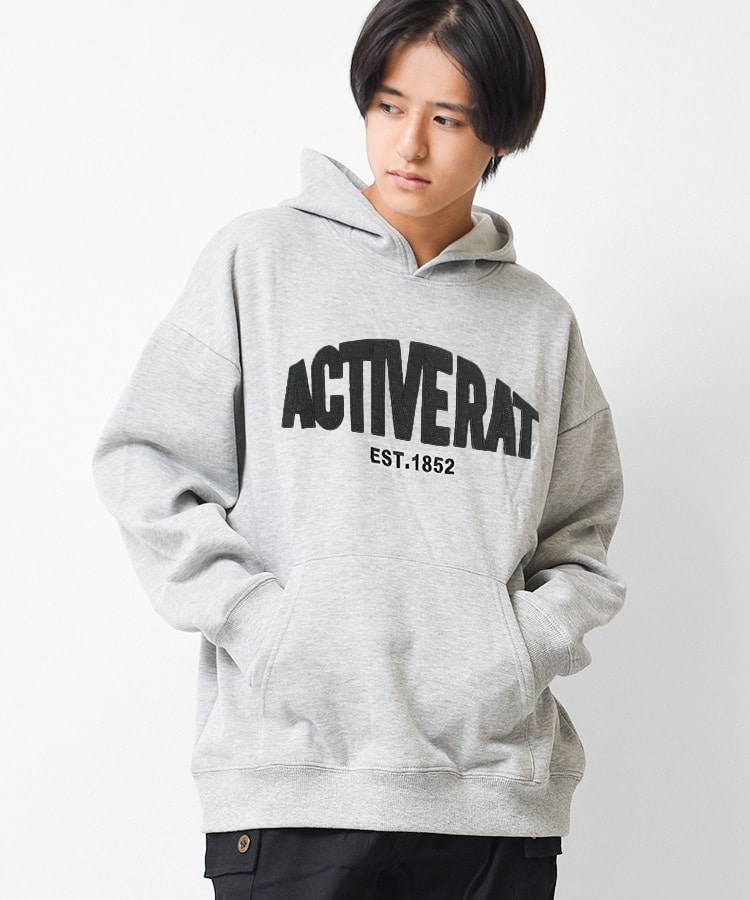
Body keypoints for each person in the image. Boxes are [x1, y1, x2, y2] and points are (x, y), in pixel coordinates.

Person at [93, 1, 626, 897]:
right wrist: (261, 625)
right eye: (389, 106)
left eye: (447, 119)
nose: (408, 144)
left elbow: (581, 541)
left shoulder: (539, 323)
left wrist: (518, 650)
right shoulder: (261, 260)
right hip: (293, 779)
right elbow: (145, 463)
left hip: (491, 799)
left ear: (501, 133)